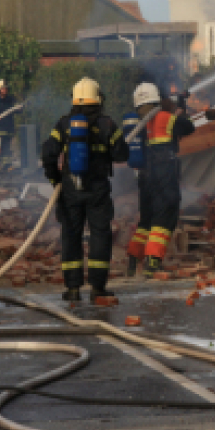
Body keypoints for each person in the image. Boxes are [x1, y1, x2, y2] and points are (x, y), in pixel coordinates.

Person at [41, 77, 129, 303]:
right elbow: (122, 155)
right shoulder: (107, 124)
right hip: (98, 188)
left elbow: (48, 154)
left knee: (71, 235)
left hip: (70, 187)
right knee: (100, 234)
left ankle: (72, 289)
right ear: (98, 98)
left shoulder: (64, 124)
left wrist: (55, 181)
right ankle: (98, 288)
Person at [125, 83, 196, 278]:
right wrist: (181, 112)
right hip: (163, 175)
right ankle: (153, 263)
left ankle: (133, 259)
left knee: (146, 221)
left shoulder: (137, 122)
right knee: (164, 218)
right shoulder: (164, 118)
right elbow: (188, 127)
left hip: (144, 178)